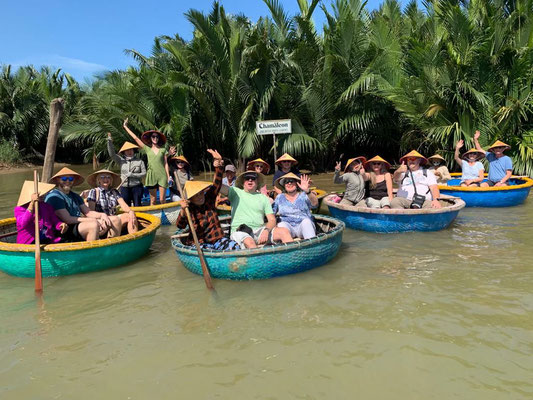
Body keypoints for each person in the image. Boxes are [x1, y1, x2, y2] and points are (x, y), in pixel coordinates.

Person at [176, 150, 240, 250]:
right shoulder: (189, 208)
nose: (200, 196)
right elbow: (180, 225)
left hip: (217, 239)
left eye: (201, 192)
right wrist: (183, 210)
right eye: (196, 195)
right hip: (199, 243)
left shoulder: (209, 198)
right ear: (191, 198)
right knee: (206, 251)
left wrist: (218, 165)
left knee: (235, 247)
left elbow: (217, 183)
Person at [45, 167, 121, 241]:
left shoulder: (75, 196)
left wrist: (102, 215)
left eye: (70, 179)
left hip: (76, 224)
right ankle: (92, 251)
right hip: (63, 228)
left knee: (115, 220)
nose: (67, 181)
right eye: (64, 179)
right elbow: (67, 219)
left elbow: (88, 212)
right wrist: (92, 220)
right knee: (93, 225)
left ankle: (111, 248)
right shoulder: (55, 196)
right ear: (58, 180)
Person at [222, 170, 293, 249]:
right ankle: (258, 261)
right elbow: (218, 186)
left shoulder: (263, 198)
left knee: (284, 231)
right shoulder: (235, 192)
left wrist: (266, 230)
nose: (250, 180)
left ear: (257, 182)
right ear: (243, 183)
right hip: (240, 231)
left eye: (253, 178)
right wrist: (218, 168)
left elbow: (272, 220)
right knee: (250, 242)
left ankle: (293, 259)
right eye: (247, 178)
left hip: (260, 230)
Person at [123, 118, 171, 205]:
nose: (155, 138)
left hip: (162, 175)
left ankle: (164, 216)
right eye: (153, 136)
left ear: (159, 139)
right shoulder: (147, 149)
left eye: (157, 137)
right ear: (150, 138)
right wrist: (125, 127)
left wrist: (168, 176)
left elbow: (166, 163)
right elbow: (136, 138)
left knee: (162, 200)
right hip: (151, 175)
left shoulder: (163, 150)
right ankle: (153, 216)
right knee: (152, 201)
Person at [86, 169, 138, 234]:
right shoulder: (94, 191)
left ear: (111, 181)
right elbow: (91, 212)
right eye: (102, 177)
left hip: (113, 218)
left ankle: (134, 238)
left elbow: (123, 205)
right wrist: (101, 218)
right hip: (101, 220)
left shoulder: (115, 192)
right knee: (115, 220)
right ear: (98, 180)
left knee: (130, 216)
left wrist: (131, 212)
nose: (106, 179)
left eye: (108, 177)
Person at [272, 173, 317, 239]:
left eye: (291, 181)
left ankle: (312, 245)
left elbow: (315, 205)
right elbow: (272, 213)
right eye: (286, 182)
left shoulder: (304, 195)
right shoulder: (279, 197)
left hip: (303, 226)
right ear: (284, 185)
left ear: (297, 184)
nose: (289, 183)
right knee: (281, 225)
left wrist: (308, 191)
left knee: (306, 222)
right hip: (288, 227)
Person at [107, 132, 146, 207]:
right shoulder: (121, 160)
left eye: (131, 150)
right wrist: (109, 141)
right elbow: (112, 154)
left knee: (137, 204)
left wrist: (133, 175)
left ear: (133, 150)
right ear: (124, 152)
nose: (129, 152)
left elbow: (144, 173)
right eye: (127, 150)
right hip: (124, 187)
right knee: (126, 205)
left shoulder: (139, 161)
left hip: (136, 186)